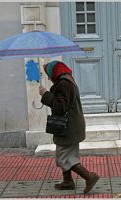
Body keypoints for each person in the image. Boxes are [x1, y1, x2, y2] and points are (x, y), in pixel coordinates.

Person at [39, 60, 100, 193]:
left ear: (54, 72)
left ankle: (89, 177)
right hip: (71, 126)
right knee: (67, 154)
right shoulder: (66, 80)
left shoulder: (64, 84)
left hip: (68, 127)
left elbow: (61, 107)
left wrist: (45, 95)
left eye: (49, 74)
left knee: (64, 157)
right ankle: (67, 182)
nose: (49, 78)